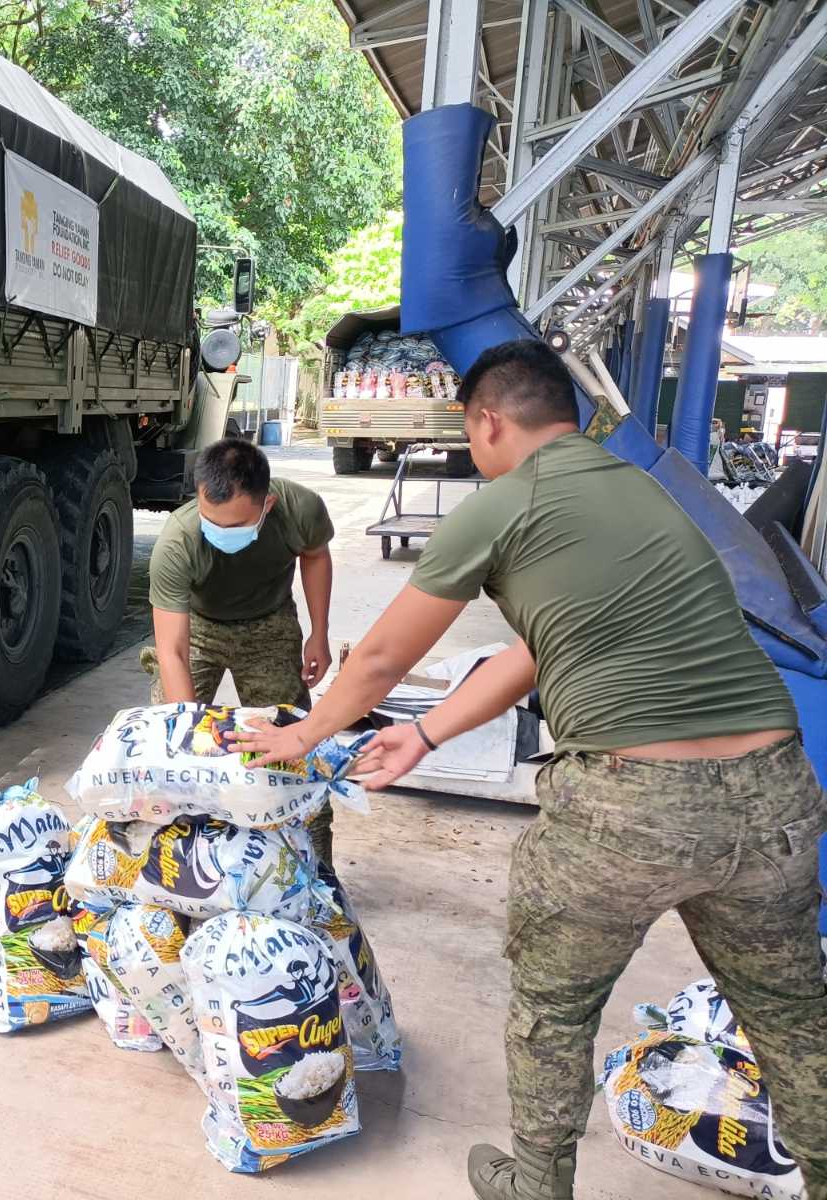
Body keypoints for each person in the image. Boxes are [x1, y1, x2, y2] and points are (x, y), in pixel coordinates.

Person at [231, 339, 826, 1200]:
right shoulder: (646, 492)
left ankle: (535, 1183)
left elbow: (387, 652)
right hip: (775, 797)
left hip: (631, 806)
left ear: (488, 420)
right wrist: (426, 737)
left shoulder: (507, 501)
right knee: (793, 1014)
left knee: (554, 1007)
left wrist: (304, 734)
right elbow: (537, 649)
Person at [148, 436, 336, 863]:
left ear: (266, 505)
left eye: (234, 527)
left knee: (291, 746)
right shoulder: (178, 541)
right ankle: (174, 865)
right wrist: (188, 730)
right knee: (165, 744)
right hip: (198, 629)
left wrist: (319, 633)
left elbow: (316, 554)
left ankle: (315, 865)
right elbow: (171, 649)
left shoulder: (299, 508)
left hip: (268, 625)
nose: (220, 534)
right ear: (200, 494)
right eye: (213, 523)